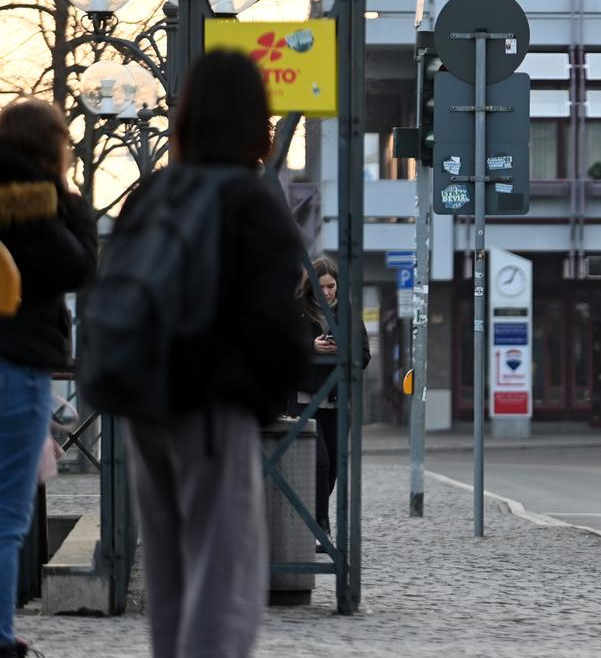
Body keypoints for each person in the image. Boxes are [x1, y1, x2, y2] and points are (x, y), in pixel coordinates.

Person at [123, 51, 309, 658]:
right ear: (256, 121)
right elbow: (279, 323)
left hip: (144, 407)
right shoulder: (252, 201)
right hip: (213, 407)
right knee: (224, 581)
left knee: (171, 579)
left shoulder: (151, 194)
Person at [0, 98, 97, 658]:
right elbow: (79, 266)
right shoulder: (46, 206)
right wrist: (59, 204)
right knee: (7, 515)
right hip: (18, 368)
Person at [293, 255, 368, 547]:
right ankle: (320, 528)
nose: (326, 292)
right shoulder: (298, 312)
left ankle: (314, 519)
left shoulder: (346, 313)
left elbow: (363, 355)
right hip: (304, 399)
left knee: (334, 466)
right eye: (321, 286)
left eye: (331, 286)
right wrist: (310, 347)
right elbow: (281, 350)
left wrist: (342, 351)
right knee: (319, 462)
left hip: (336, 401)